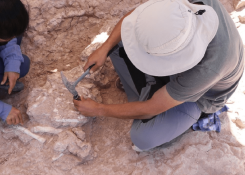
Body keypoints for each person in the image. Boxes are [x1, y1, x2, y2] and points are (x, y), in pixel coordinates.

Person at [74, 0, 244, 151]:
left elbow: (151, 109)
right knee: (120, 42)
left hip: (200, 96)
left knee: (143, 138)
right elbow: (136, 19)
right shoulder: (179, 8)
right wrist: (104, 48)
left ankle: (150, 91)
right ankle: (150, 88)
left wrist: (99, 109)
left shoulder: (210, 66)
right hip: (187, 69)